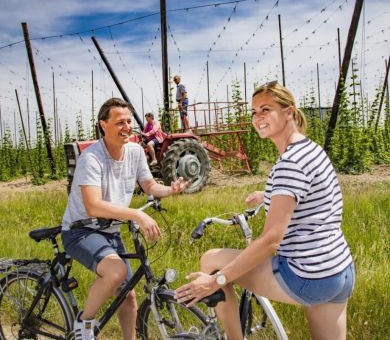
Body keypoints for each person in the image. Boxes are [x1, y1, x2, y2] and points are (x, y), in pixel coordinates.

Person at [175, 81, 355, 340]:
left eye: (266, 109)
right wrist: (268, 195)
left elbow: (271, 241)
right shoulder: (310, 149)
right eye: (254, 112)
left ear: (289, 112)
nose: (257, 118)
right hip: (338, 270)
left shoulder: (289, 164)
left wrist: (217, 281)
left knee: (212, 260)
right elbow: (309, 194)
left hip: (307, 275)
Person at [61, 97, 189, 340]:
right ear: (103, 125)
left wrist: (170, 189)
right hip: (81, 231)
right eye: (120, 122)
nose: (127, 127)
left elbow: (149, 185)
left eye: (129, 121)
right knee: (116, 272)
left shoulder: (134, 152)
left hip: (111, 230)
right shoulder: (91, 158)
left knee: (128, 296)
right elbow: (93, 205)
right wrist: (136, 214)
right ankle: (84, 324)